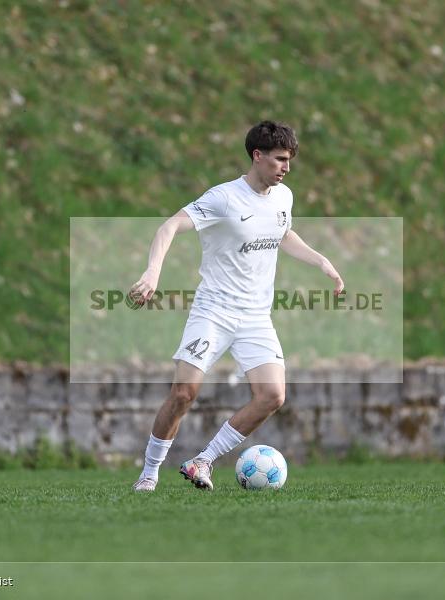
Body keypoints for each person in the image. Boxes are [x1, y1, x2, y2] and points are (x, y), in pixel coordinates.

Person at [129, 121, 344, 492]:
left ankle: (203, 461)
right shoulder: (223, 198)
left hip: (256, 317)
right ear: (257, 156)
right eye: (279, 160)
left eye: (289, 160)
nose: (286, 168)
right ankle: (149, 472)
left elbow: (283, 233)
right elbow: (169, 227)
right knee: (184, 393)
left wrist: (319, 260)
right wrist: (152, 271)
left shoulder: (283, 197)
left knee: (272, 396)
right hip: (214, 311)